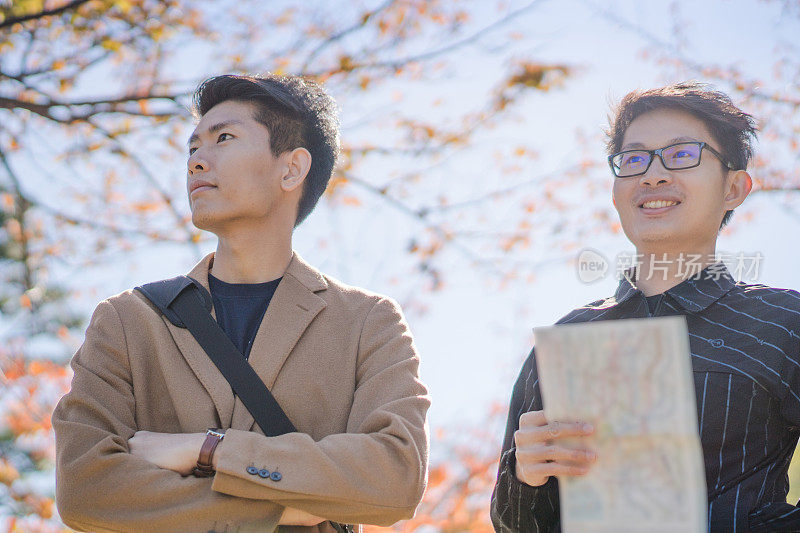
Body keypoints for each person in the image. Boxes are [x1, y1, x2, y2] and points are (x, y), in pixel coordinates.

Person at [53, 74, 430, 532]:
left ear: (290, 169)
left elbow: (396, 477)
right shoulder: (129, 319)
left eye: (224, 138)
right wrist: (293, 506)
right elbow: (84, 489)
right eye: (192, 148)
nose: (196, 162)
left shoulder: (367, 320)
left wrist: (208, 449)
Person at [491, 82, 800, 532]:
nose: (653, 175)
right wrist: (526, 476)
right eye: (634, 160)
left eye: (682, 154)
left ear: (734, 188)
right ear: (616, 190)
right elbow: (512, 526)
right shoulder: (566, 340)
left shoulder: (784, 323)